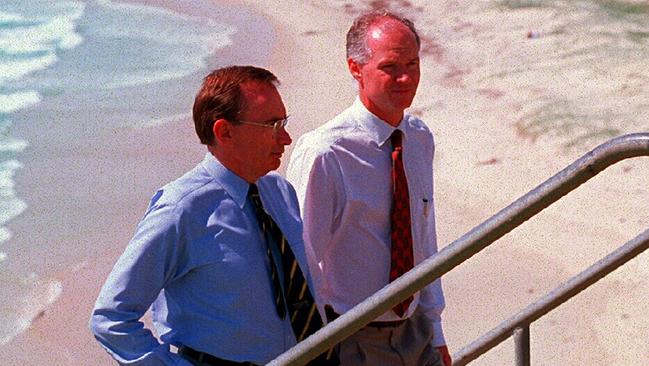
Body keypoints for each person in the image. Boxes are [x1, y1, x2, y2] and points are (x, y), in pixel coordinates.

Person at [90, 65, 336, 365]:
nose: (285, 138)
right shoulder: (181, 210)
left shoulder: (279, 192)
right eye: (273, 126)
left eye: (283, 123)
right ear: (224, 131)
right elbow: (111, 318)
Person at [286, 10, 452, 366]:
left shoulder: (419, 138)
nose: (406, 77)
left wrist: (435, 330)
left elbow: (424, 239)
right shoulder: (324, 153)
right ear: (355, 68)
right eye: (390, 67)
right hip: (350, 338)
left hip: (416, 332)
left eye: (412, 63)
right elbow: (301, 263)